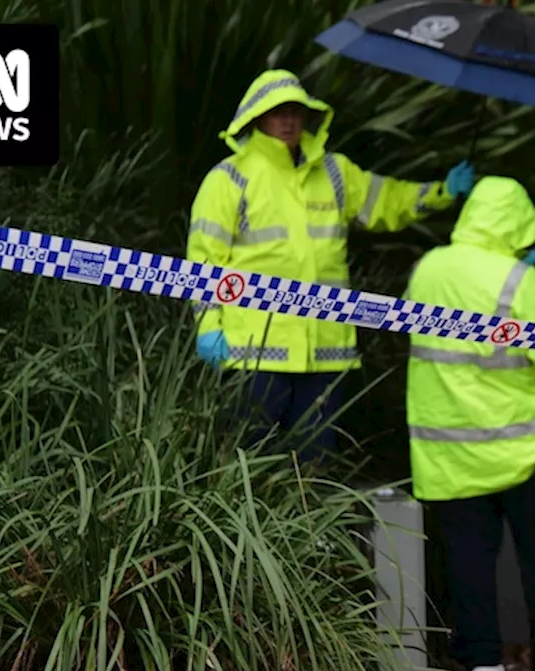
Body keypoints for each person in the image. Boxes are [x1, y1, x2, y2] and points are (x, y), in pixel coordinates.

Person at [186, 69, 475, 465]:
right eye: (277, 112)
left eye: (295, 111)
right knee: (248, 470)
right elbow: (204, 260)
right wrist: (208, 326)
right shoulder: (229, 179)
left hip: (324, 355)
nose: (288, 120)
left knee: (317, 472)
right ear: (256, 117)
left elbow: (387, 200)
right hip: (253, 355)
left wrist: (442, 192)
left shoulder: (335, 172)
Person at [403, 175, 535, 671]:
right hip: (524, 446)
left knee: (466, 562)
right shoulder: (517, 278)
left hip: (449, 452)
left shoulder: (426, 270)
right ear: (518, 222)